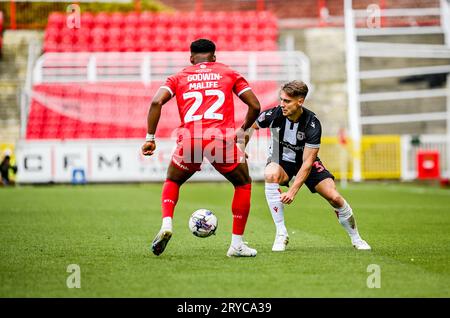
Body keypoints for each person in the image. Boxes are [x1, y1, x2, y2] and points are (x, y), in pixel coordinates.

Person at [141, 39, 261, 257]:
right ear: (214, 57)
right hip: (220, 140)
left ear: (191, 58)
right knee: (243, 184)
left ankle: (167, 224)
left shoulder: (178, 77)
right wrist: (242, 132)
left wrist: (150, 137)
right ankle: (236, 244)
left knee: (173, 180)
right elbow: (255, 105)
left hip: (190, 139)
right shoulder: (228, 73)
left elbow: (156, 102)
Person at [251, 80, 371, 252]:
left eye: (287, 101)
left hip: (306, 163)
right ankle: (281, 233)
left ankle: (356, 238)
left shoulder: (312, 123)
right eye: (281, 99)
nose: (282, 104)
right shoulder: (274, 114)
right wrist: (241, 148)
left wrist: (293, 191)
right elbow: (249, 127)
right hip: (281, 160)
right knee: (270, 174)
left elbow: (308, 162)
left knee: (335, 197)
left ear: (300, 101)